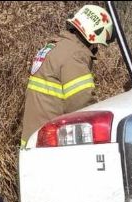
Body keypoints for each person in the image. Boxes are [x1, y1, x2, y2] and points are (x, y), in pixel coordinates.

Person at [20, 5, 114, 147]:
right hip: (51, 144)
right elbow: (81, 105)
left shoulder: (54, 47)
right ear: (92, 38)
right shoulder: (74, 56)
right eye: (97, 45)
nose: (97, 49)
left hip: (32, 139)